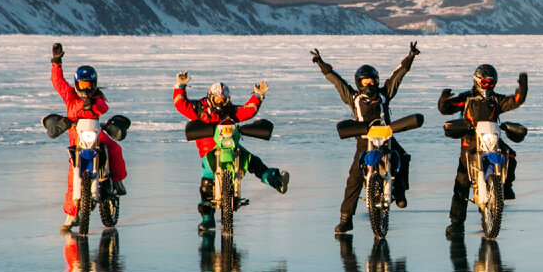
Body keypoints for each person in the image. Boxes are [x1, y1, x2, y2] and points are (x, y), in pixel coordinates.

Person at [312, 44, 420, 234]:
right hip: (364, 140)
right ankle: (346, 219)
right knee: (354, 177)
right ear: (358, 83)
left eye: (372, 81)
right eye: (365, 82)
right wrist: (322, 64)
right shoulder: (353, 97)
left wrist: (410, 57)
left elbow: (397, 76)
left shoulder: (384, 94)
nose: (369, 85)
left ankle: (400, 192)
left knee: (402, 157)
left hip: (386, 136)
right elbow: (337, 82)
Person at [174, 74, 288, 232]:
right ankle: (207, 219)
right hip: (209, 149)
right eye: (218, 99)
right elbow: (181, 104)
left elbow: (247, 111)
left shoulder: (230, 110)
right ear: (211, 97)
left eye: (224, 99)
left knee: (252, 161)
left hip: (230, 146)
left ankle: (276, 180)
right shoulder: (200, 108)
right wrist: (180, 85)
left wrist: (258, 96)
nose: (221, 102)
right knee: (207, 182)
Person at [438, 64, 527, 238]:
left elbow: (514, 101)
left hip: (492, 138)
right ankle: (456, 223)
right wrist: (444, 99)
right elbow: (446, 109)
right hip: (471, 140)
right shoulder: (467, 97)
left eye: (491, 83)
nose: (488, 86)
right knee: (462, 182)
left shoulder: (495, 99)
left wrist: (523, 87)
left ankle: (506, 186)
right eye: (485, 82)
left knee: (511, 155)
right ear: (477, 80)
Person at [50, 43, 128, 232]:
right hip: (77, 140)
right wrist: (56, 62)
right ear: (77, 84)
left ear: (93, 85)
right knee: (72, 178)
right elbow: (58, 82)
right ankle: (71, 215)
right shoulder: (70, 96)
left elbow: (103, 107)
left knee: (115, 149)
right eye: (82, 85)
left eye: (88, 86)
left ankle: (117, 180)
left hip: (96, 136)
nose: (85, 89)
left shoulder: (97, 98)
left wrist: (92, 104)